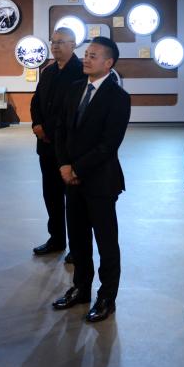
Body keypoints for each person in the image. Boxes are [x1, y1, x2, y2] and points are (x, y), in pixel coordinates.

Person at [51, 36, 131, 323]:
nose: (86, 59)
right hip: (71, 179)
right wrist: (64, 165)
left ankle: (107, 297)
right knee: (78, 239)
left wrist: (77, 169)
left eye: (93, 55)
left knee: (106, 242)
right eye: (86, 54)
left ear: (108, 63)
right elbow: (60, 129)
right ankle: (81, 288)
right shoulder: (74, 89)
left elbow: (109, 144)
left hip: (100, 180)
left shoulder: (118, 97)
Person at [30, 28, 84, 259]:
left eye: (61, 42)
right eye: (53, 42)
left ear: (73, 44)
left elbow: (71, 110)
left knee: (74, 200)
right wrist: (37, 124)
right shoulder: (48, 71)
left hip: (69, 147)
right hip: (46, 145)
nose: (55, 46)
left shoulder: (81, 72)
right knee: (51, 195)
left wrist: (48, 129)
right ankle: (57, 239)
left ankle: (77, 247)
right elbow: (36, 101)